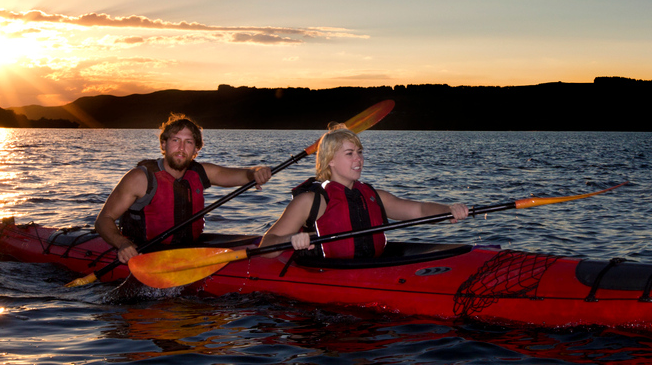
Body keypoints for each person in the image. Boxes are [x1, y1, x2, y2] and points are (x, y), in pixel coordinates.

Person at [259, 125, 468, 258]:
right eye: (349, 153)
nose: (358, 159)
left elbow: (420, 210)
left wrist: (447, 209)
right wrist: (291, 240)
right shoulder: (310, 201)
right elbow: (266, 244)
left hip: (369, 271)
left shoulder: (375, 196)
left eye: (359, 152)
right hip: (326, 277)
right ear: (330, 160)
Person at [96, 113, 271, 263]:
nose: (181, 148)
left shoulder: (201, 172)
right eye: (175, 140)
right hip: (143, 252)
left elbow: (243, 175)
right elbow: (104, 219)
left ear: (196, 149)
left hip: (188, 249)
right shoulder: (140, 178)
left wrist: (256, 172)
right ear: (163, 145)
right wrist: (122, 244)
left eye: (188, 142)